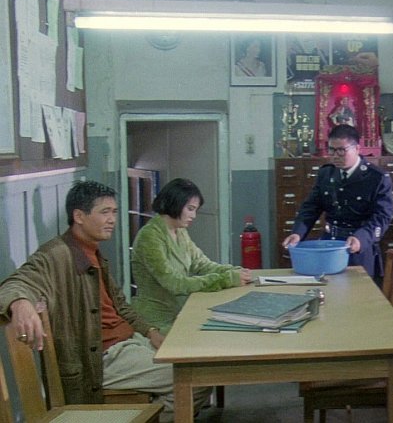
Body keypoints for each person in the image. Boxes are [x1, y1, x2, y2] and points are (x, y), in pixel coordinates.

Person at [0, 181, 211, 421]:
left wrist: (150, 331)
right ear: (79, 216)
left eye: (114, 212)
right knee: (198, 379)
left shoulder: (92, 251)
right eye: (104, 212)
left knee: (198, 364)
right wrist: (21, 303)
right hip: (103, 358)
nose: (112, 220)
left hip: (131, 341)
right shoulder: (57, 254)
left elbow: (120, 306)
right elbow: (15, 284)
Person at [131, 178, 252, 335]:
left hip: (179, 311)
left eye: (195, 210)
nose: (194, 215)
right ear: (175, 203)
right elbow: (174, 283)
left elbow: (201, 264)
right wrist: (225, 280)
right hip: (156, 321)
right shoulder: (150, 236)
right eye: (190, 209)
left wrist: (233, 271)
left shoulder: (180, 231)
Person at [282, 124, 393, 277]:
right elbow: (311, 207)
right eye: (331, 150)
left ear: (357, 149)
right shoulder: (326, 173)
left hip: (359, 247)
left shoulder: (376, 177)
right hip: (330, 245)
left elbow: (382, 217)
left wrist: (361, 238)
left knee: (359, 290)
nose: (335, 156)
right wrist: (298, 233)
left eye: (341, 150)